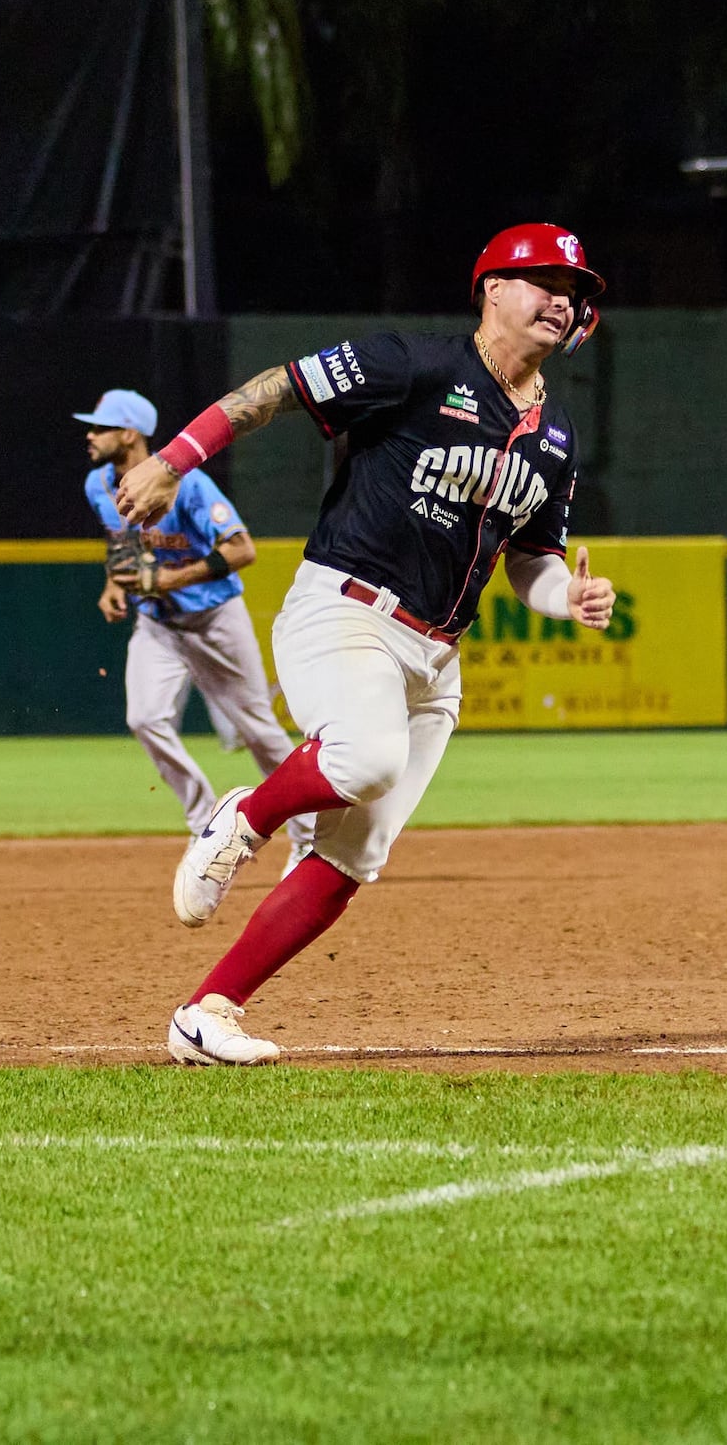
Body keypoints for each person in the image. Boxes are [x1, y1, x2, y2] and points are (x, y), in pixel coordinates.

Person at [116, 224, 619, 1066]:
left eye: (574, 289)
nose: (562, 298)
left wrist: (568, 595)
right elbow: (278, 388)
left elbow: (531, 560)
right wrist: (174, 458)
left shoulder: (556, 435)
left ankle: (207, 1014)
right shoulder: (414, 365)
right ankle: (242, 816)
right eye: (541, 279)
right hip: (345, 611)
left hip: (437, 658)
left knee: (355, 854)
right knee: (367, 756)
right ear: (491, 288)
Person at [77, 388, 312, 881]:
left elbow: (243, 549)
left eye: (100, 427)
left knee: (259, 732)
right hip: (158, 626)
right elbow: (121, 548)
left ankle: (310, 837)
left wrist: (166, 580)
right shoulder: (99, 484)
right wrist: (111, 587)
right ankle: (206, 820)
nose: (89, 435)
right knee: (144, 717)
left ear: (129, 434)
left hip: (215, 620)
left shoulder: (191, 487)